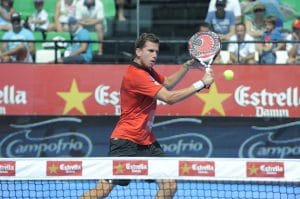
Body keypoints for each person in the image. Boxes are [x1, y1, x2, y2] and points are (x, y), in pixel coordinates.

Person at [80, 33, 215, 199]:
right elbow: (169, 97)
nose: (155, 55)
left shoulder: (148, 71)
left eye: (157, 52)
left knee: (169, 184)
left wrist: (186, 67)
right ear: (138, 52)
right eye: (150, 51)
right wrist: (201, 83)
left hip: (147, 142)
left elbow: (168, 83)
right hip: (125, 142)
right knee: (103, 190)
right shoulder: (137, 75)